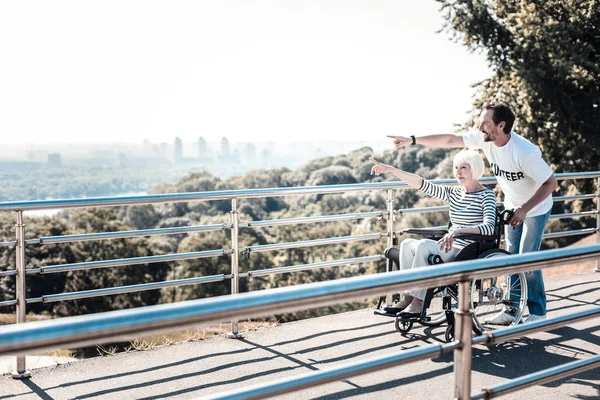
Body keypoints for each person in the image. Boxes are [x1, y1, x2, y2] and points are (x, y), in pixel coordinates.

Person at [388, 100, 558, 324]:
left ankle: (538, 311)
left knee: (526, 259)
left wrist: (525, 209)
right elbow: (450, 139)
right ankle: (512, 309)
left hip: (535, 207)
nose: (480, 128)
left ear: (501, 125)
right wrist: (412, 140)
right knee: (510, 258)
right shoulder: (485, 140)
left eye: (485, 124)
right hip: (512, 203)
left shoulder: (524, 152)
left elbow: (551, 183)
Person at [370, 149, 496, 317]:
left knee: (423, 245)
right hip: (449, 246)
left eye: (464, 167)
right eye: (456, 167)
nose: (458, 172)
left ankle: (419, 302)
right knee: (407, 244)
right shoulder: (455, 193)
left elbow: (489, 228)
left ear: (475, 169)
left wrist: (458, 231)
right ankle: (408, 296)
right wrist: (392, 170)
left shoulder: (486, 195)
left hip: (467, 250)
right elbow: (421, 184)